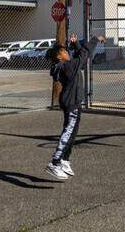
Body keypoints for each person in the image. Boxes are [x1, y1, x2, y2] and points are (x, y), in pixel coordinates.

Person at [44, 33, 106, 180]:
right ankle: (54, 162)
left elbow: (79, 57)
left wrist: (76, 44)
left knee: (73, 131)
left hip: (74, 101)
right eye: (65, 52)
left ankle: (65, 160)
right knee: (68, 131)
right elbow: (84, 55)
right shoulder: (67, 67)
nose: (68, 52)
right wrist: (95, 40)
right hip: (71, 102)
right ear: (59, 57)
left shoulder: (67, 65)